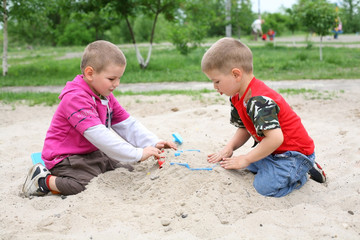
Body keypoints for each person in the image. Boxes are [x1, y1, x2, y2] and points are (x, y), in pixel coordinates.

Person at [22, 40, 177, 197]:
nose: (116, 84)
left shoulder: (105, 95)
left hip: (91, 152)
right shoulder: (75, 98)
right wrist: (137, 153)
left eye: (119, 78)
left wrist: (151, 142)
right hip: (65, 158)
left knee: (126, 168)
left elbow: (126, 124)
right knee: (83, 185)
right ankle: (42, 180)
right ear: (90, 73)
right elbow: (99, 135)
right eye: (111, 79)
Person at [201, 37, 326, 198]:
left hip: (294, 154)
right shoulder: (236, 97)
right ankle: (278, 167)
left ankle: (304, 172)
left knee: (264, 187)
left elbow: (275, 139)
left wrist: (245, 158)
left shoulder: (259, 100)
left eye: (216, 81)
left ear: (236, 74)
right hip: (275, 152)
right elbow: (244, 127)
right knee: (248, 166)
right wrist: (230, 148)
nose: (214, 87)